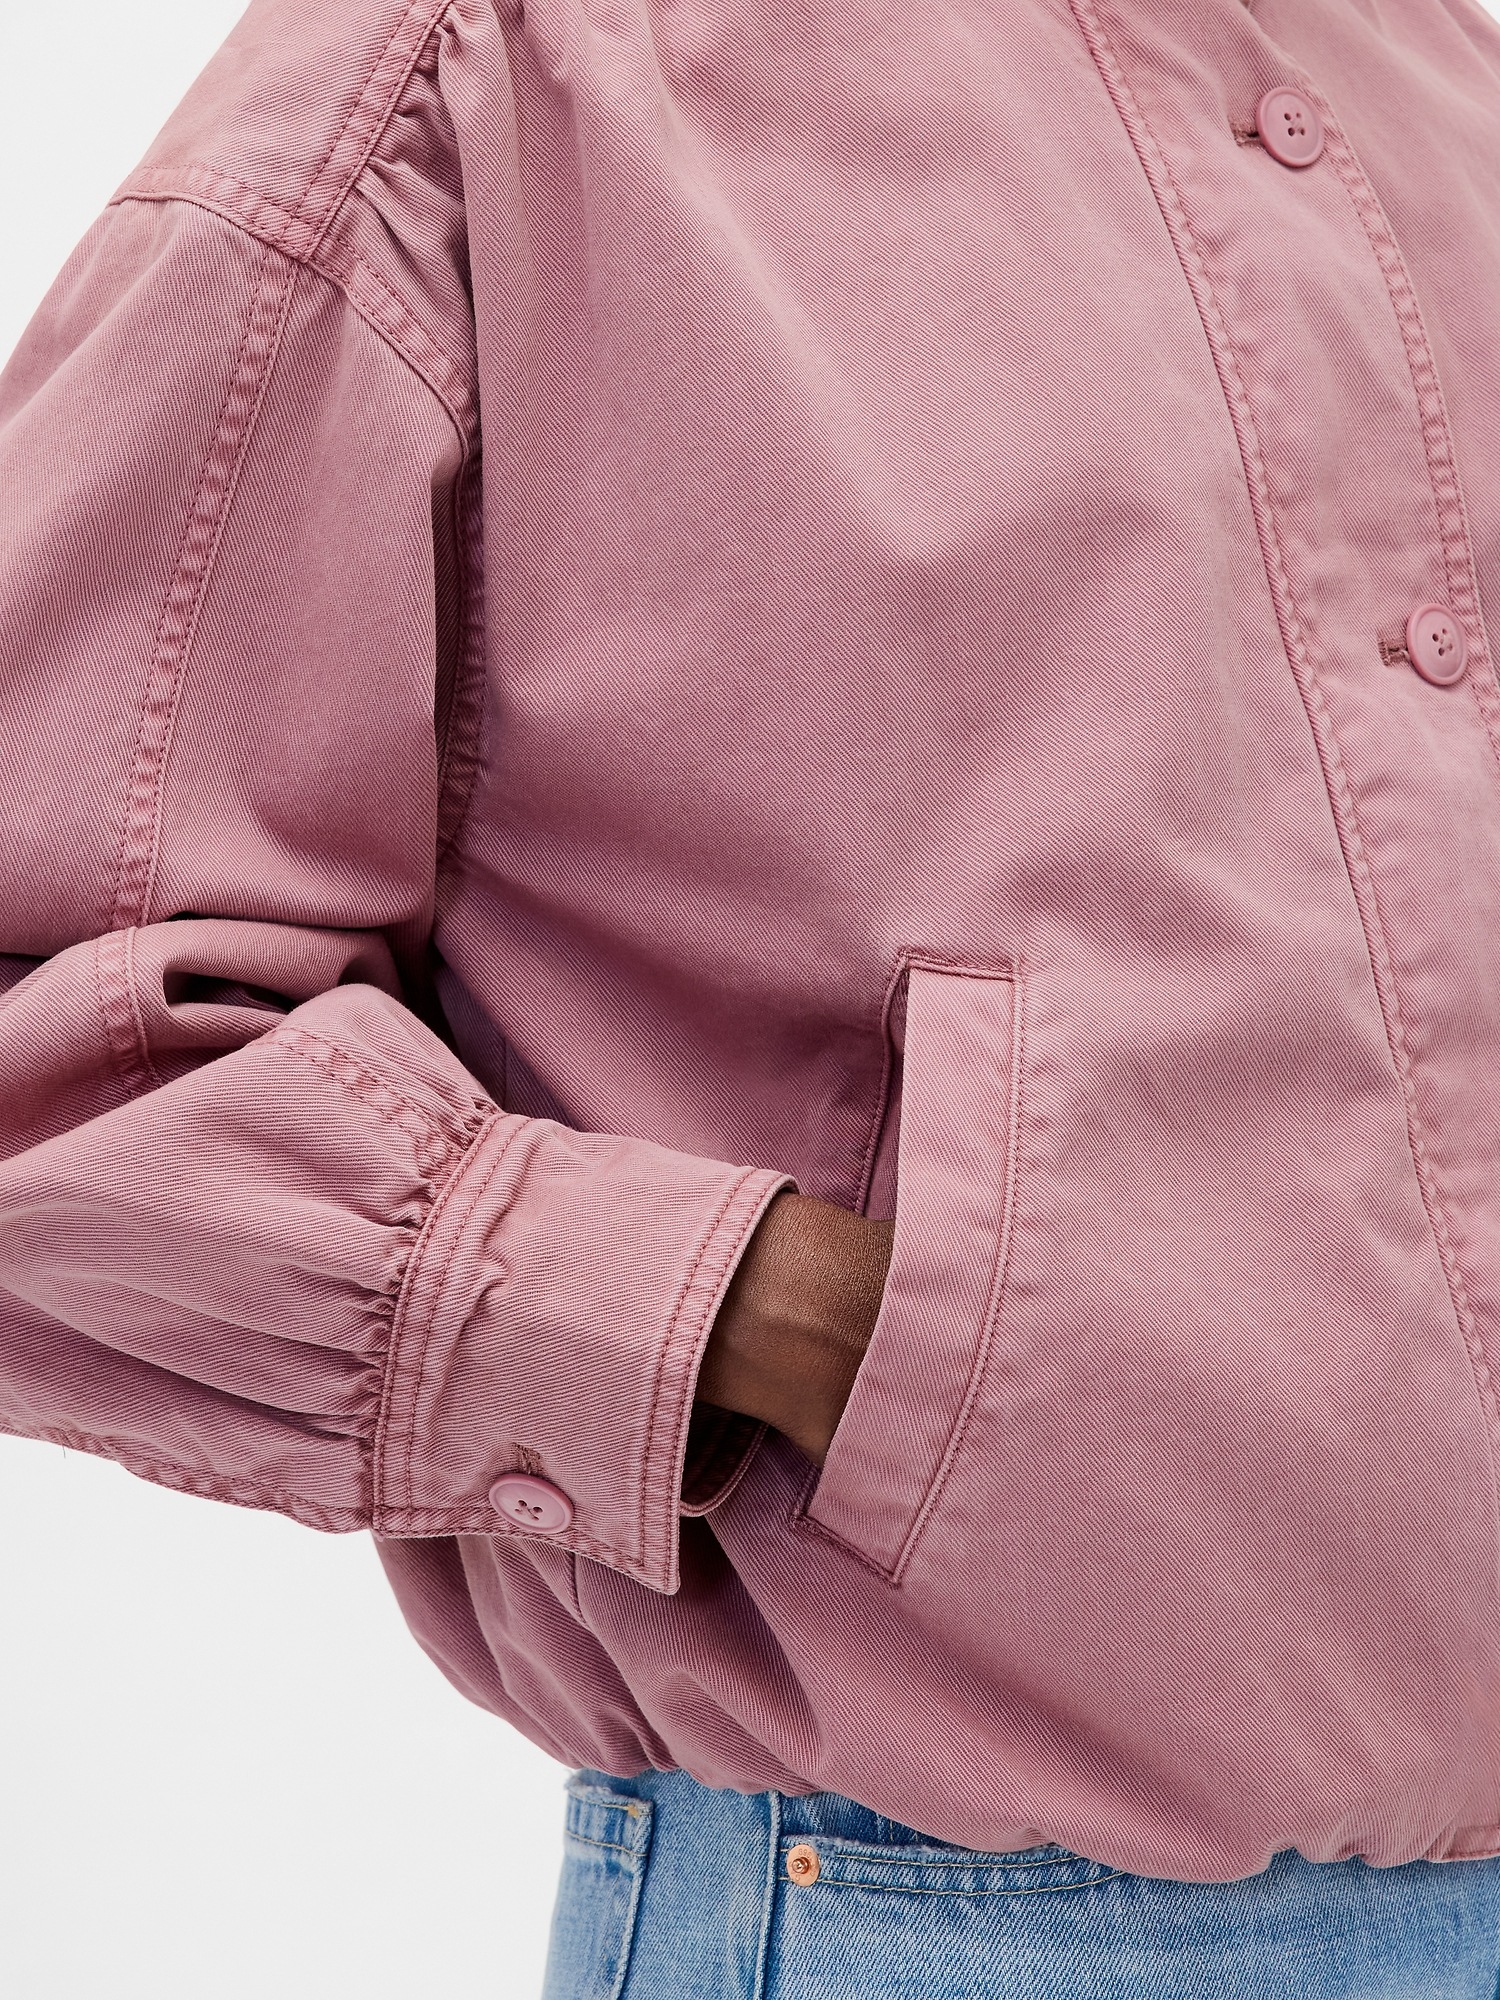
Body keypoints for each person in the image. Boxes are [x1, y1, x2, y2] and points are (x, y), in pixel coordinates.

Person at [6, 0, 1500, 1989]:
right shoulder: (493, 65)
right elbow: (55, 1034)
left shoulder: (1428, 69)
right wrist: (770, 1320)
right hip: (953, 1914)